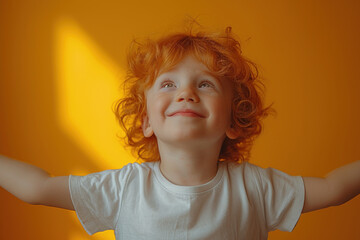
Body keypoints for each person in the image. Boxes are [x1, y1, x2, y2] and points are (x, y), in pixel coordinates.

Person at [0, 24, 359, 240]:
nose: (185, 93)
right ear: (147, 122)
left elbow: (333, 188)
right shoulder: (125, 188)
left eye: (205, 85)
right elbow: (37, 188)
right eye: (168, 84)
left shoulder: (255, 188)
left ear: (235, 121)